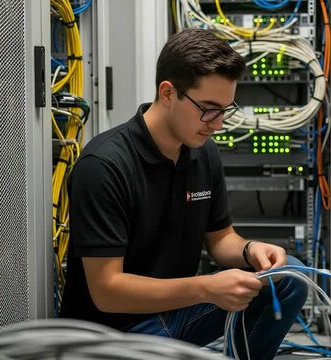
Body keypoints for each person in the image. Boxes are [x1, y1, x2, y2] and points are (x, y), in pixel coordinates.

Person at [60, 28, 308, 360]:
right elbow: (107, 291)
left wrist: (251, 250)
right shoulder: (104, 165)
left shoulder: (202, 151)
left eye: (224, 110)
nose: (217, 123)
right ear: (168, 93)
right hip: (113, 334)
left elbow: (220, 240)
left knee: (290, 275)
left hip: (176, 312)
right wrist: (206, 289)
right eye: (208, 109)